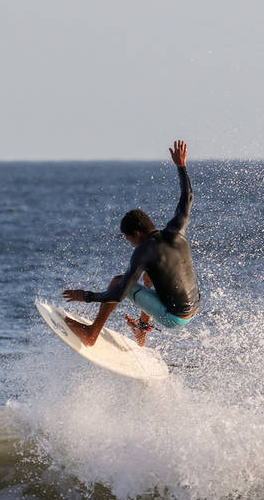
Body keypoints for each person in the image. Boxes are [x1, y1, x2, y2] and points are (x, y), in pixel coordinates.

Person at [62, 140, 200, 347]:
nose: (131, 244)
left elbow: (118, 293)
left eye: (129, 239)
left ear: (136, 233)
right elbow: (187, 197)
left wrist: (87, 296)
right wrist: (181, 166)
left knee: (119, 281)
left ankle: (91, 333)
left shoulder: (143, 251)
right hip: (194, 308)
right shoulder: (176, 230)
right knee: (149, 274)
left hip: (175, 317)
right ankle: (141, 328)